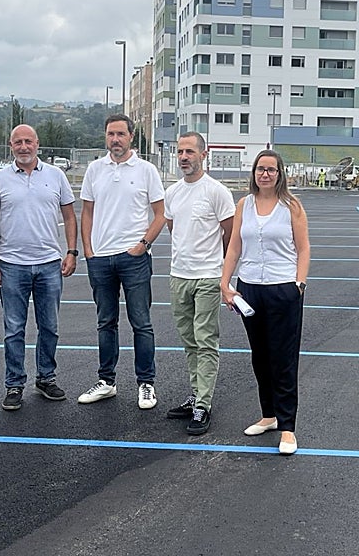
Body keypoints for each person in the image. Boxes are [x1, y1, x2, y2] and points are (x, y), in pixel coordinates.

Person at [220, 149, 310, 455]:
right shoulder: (244, 204)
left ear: (280, 173)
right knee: (260, 356)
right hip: (250, 289)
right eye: (261, 169)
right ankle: (269, 415)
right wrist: (225, 283)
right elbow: (234, 246)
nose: (265, 174)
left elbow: (303, 248)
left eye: (271, 169)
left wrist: (299, 284)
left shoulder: (291, 206)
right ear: (254, 172)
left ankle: (287, 427)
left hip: (282, 289)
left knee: (283, 359)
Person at [0, 124, 78, 412]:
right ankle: (14, 384)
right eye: (18, 142)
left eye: (28, 141)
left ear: (37, 144)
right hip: (11, 264)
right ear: (10, 145)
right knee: (14, 329)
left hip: (49, 264)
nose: (23, 146)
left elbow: (70, 216)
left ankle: (46, 378)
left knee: (49, 326)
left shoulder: (56, 176)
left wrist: (72, 251)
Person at [78, 113, 166, 409]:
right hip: (100, 259)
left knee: (141, 323)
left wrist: (143, 245)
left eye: (120, 134)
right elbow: (87, 211)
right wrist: (88, 250)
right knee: (106, 322)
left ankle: (146, 383)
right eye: (110, 134)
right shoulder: (94, 169)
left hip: (134, 259)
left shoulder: (146, 170)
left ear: (131, 137)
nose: (115, 139)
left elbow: (160, 214)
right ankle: (106, 381)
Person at [162, 132, 235, 435]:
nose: (184, 157)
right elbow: (173, 227)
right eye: (180, 151)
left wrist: (222, 273)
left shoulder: (217, 192)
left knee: (205, 341)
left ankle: (203, 404)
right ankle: (195, 395)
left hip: (207, 277)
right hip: (179, 275)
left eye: (190, 151)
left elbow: (230, 233)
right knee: (189, 341)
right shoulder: (173, 192)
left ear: (204, 155)